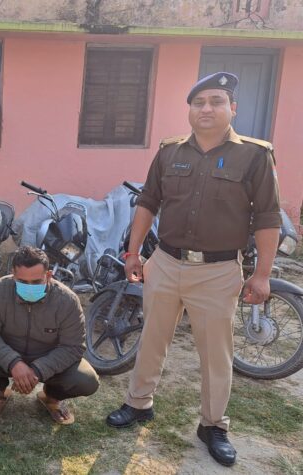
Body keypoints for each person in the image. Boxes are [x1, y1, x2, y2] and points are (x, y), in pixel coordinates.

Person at [105, 72, 282, 467]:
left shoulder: (254, 156)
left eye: (216, 101)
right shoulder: (169, 152)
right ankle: (138, 403)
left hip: (218, 271)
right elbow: (147, 202)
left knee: (216, 353)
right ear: (189, 110)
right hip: (166, 263)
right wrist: (133, 253)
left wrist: (262, 274)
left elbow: (268, 218)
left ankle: (213, 424)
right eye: (199, 102)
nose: (206, 109)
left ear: (232, 108)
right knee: (152, 338)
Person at [0, 246, 99, 424]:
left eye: (36, 281)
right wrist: (13, 363)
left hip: (47, 358)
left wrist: (38, 370)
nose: (29, 287)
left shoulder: (67, 301)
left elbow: (73, 347)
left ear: (49, 275)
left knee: (87, 380)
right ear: (13, 275)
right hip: (6, 355)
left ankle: (52, 396)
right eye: (23, 282)